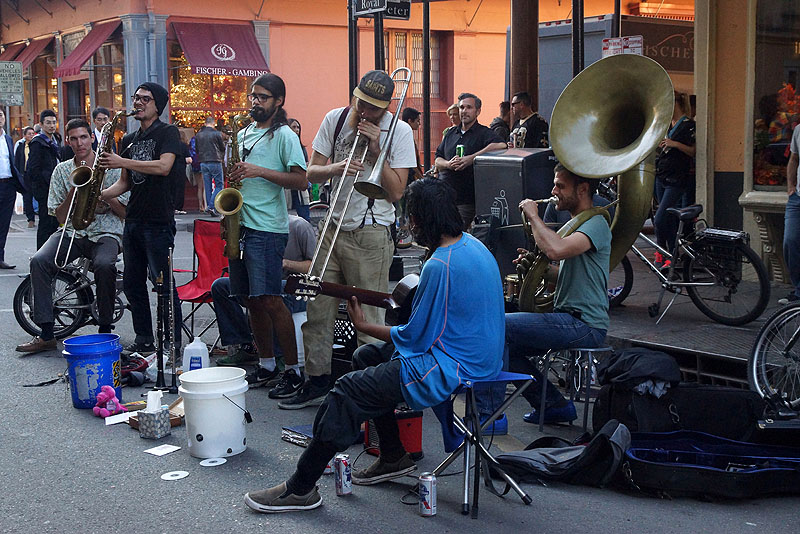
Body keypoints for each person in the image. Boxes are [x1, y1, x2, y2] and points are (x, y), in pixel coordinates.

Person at [243, 177, 504, 513]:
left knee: (347, 391)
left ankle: (301, 487)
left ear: (424, 219)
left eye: (411, 217)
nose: (408, 224)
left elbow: (415, 338)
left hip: (453, 365)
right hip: (478, 356)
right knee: (365, 356)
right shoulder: (472, 244)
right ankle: (393, 455)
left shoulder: (442, 264)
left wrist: (365, 325)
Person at [279, 70, 417, 410]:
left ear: (386, 109)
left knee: (368, 316)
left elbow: (397, 191)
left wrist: (376, 148)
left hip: (371, 229)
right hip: (330, 225)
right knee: (318, 306)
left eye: (375, 109)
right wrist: (337, 167)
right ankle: (317, 381)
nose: (366, 113)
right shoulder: (335, 119)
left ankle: (369, 390)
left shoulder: (398, 130)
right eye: (362, 104)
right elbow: (311, 172)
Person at [504, 163, 611, 424]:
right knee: (500, 344)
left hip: (584, 324)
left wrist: (533, 216)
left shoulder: (596, 222)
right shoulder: (576, 225)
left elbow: (555, 251)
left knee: (497, 326)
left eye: (560, 186)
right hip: (568, 318)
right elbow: (564, 273)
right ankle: (552, 405)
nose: (554, 191)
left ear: (583, 189)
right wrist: (535, 269)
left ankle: (490, 413)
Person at [223, 73, 309, 399]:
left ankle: (294, 371)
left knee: (272, 300)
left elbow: (301, 181)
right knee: (251, 300)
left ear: (278, 102)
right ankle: (267, 363)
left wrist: (257, 170)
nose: (255, 102)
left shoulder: (285, 135)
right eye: (253, 96)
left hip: (267, 229)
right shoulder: (243, 133)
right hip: (240, 224)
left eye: (262, 97)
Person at [15, 118, 127, 354]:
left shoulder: (112, 166)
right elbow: (60, 217)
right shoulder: (62, 170)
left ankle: (105, 328)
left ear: (92, 138)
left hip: (106, 231)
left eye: (84, 137)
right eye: (74, 139)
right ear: (68, 141)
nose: (79, 143)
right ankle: (46, 333)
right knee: (39, 261)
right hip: (72, 231)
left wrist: (103, 197)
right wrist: (76, 190)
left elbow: (125, 213)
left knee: (105, 265)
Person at [98, 82, 183, 355]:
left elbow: (164, 166)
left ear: (158, 105)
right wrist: (98, 195)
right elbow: (125, 183)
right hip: (133, 220)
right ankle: (145, 338)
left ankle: (172, 343)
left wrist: (123, 162)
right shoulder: (128, 140)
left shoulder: (168, 132)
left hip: (159, 220)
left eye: (145, 99)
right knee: (134, 284)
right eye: (136, 98)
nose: (138, 103)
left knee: (163, 284)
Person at [213, 214, 316, 392]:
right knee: (221, 286)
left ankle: (285, 360)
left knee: (270, 295)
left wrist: (286, 264)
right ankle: (246, 345)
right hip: (250, 241)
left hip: (295, 284)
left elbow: (316, 266)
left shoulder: (299, 226)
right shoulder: (247, 226)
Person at [434, 92, 506, 229]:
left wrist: (472, 158)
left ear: (478, 111)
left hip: (466, 200)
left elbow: (501, 145)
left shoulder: (483, 133)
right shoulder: (450, 133)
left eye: (468, 107)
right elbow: (437, 158)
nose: (464, 111)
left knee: (454, 233)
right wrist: (448, 164)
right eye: (461, 108)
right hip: (443, 197)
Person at [653, 90, 696, 267]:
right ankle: (670, 256)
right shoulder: (667, 125)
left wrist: (675, 144)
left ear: (675, 103)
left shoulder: (688, 125)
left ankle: (665, 252)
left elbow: (693, 151)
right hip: (662, 177)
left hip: (677, 179)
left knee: (661, 218)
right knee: (666, 219)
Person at [27, 109, 61, 249]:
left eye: (54, 122)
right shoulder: (37, 142)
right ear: (41, 124)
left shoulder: (56, 139)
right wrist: (46, 182)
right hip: (45, 190)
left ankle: (52, 259)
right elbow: (33, 169)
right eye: (48, 123)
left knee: (55, 224)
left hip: (56, 189)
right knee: (45, 225)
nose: (51, 126)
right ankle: (40, 259)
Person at [0, 109, 25, 269]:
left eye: (1, 115)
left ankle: (0, 257)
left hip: (8, 185)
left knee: (3, 223)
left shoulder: (8, 139)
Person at [782, 123, 800, 305]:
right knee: (790, 241)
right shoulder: (798, 130)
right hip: (797, 199)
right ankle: (798, 289)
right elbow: (794, 158)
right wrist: (790, 186)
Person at [195, 116, 225, 215]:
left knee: (207, 186)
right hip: (215, 160)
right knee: (219, 185)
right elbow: (222, 147)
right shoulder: (216, 133)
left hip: (203, 162)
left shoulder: (198, 135)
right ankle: (211, 206)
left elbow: (197, 149)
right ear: (214, 123)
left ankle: (210, 207)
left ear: (205, 123)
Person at [286, 118, 311, 221]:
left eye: (298, 127)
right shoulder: (284, 145)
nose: (296, 130)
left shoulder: (301, 147)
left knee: (304, 215)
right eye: (294, 127)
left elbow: (306, 162)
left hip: (300, 186)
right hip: (287, 185)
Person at [14, 126, 36, 228]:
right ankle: (30, 218)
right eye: (29, 134)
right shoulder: (20, 147)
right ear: (25, 136)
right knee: (27, 198)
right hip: (25, 175)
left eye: (33, 133)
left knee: (39, 196)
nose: (31, 135)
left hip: (35, 175)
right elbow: (17, 161)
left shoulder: (37, 146)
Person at [401, 107, 423, 182]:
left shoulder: (403, 134)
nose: (419, 124)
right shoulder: (405, 137)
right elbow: (412, 164)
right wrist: (421, 178)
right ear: (410, 121)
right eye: (418, 121)